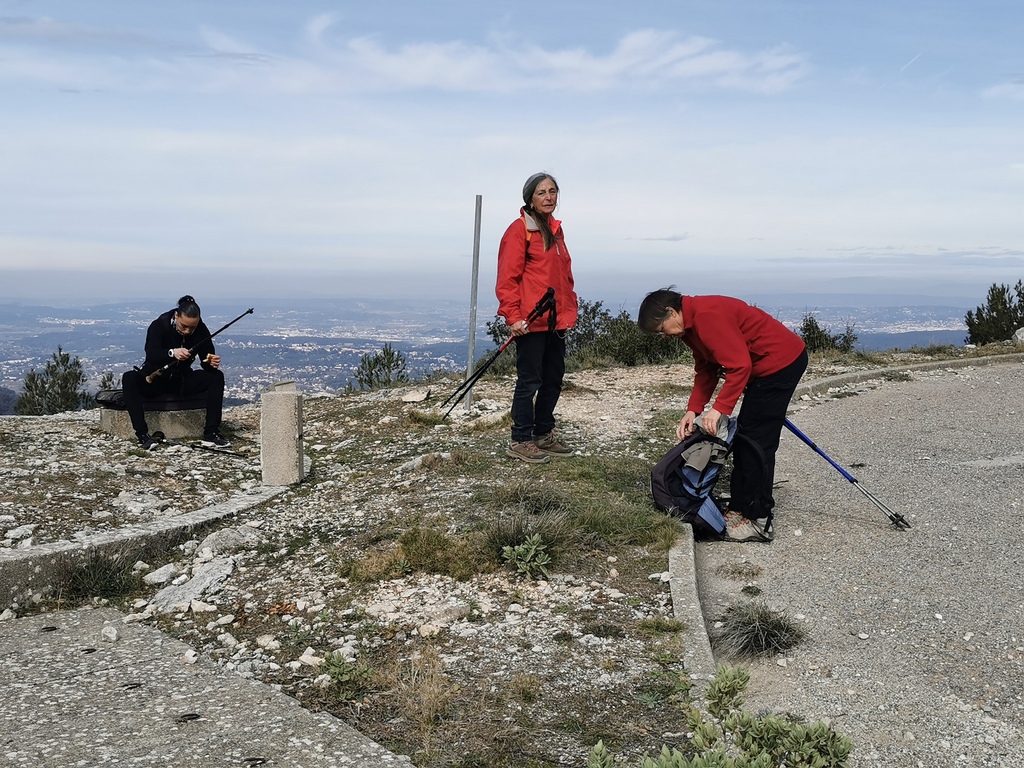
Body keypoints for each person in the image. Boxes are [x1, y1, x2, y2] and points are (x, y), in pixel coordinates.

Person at [637, 288, 808, 542]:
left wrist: (719, 409)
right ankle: (740, 508)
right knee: (745, 437)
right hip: (763, 369)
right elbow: (707, 368)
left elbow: (740, 365)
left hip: (780, 364)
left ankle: (759, 519)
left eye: (661, 329)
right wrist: (693, 409)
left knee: (757, 441)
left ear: (671, 312)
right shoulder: (690, 327)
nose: (663, 336)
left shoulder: (707, 316)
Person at [495, 172, 579, 464]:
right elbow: (508, 278)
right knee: (530, 380)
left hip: (556, 319)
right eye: (541, 192)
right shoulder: (520, 230)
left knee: (553, 379)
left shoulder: (555, 230)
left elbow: (562, 277)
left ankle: (543, 433)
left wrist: (571, 309)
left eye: (553, 191)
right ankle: (520, 438)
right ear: (530, 197)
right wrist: (513, 317)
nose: (548, 197)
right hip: (531, 320)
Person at [121, 295, 230, 451]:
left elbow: (206, 358)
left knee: (216, 377)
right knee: (129, 378)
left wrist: (210, 362)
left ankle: (211, 432)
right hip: (155, 379)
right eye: (184, 326)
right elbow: (152, 353)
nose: (188, 331)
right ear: (176, 316)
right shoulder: (159, 326)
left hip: (181, 380)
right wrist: (172, 353)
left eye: (192, 327)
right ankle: (143, 435)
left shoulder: (201, 330)